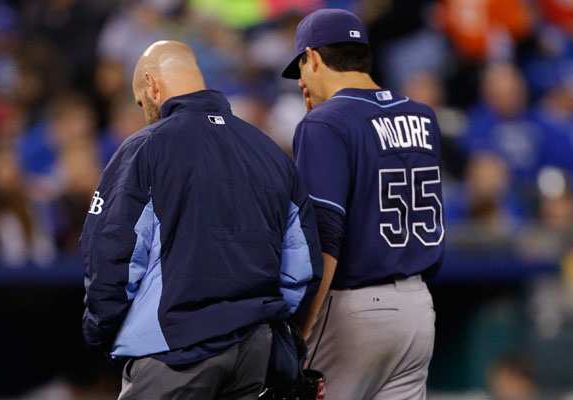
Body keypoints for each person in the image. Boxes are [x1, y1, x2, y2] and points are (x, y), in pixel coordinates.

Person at [81, 40, 322, 400]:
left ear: (152, 85)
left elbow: (111, 257)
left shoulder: (145, 148)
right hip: (255, 351)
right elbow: (302, 268)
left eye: (139, 100)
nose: (143, 110)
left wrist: (99, 330)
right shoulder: (269, 150)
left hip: (174, 352)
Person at [282, 9, 445, 399]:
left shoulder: (325, 122)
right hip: (418, 309)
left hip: (354, 311)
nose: (302, 81)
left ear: (314, 58)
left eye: (301, 67)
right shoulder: (422, 115)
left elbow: (325, 235)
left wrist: (302, 329)